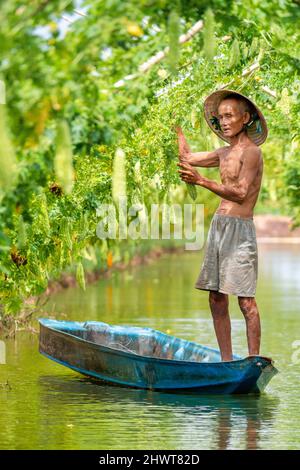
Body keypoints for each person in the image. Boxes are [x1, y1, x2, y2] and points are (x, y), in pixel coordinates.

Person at [176, 89, 268, 361]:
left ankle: (253, 360)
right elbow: (187, 159)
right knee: (216, 297)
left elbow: (240, 193)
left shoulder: (252, 153)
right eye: (220, 118)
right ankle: (226, 360)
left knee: (245, 300)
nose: (224, 122)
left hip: (240, 230)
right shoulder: (223, 152)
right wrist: (178, 129)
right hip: (219, 225)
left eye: (230, 116)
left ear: (245, 118)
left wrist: (202, 182)